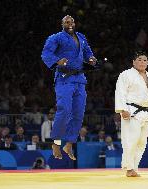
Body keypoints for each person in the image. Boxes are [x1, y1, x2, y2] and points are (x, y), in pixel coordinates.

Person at [41, 15, 97, 160]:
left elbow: (87, 52)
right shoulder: (56, 38)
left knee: (78, 113)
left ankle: (69, 143)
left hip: (79, 79)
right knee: (64, 110)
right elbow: (46, 53)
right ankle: (56, 142)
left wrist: (91, 59)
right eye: (66, 22)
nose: (70, 24)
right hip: (64, 79)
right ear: (62, 24)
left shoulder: (81, 37)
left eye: (71, 21)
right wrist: (57, 61)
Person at [115, 50, 148, 177]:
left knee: (142, 142)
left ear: (147, 62)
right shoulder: (126, 74)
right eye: (139, 60)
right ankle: (129, 168)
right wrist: (123, 109)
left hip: (145, 113)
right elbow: (120, 92)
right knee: (130, 140)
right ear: (133, 62)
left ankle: (134, 167)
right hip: (131, 111)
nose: (142, 62)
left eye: (144, 60)